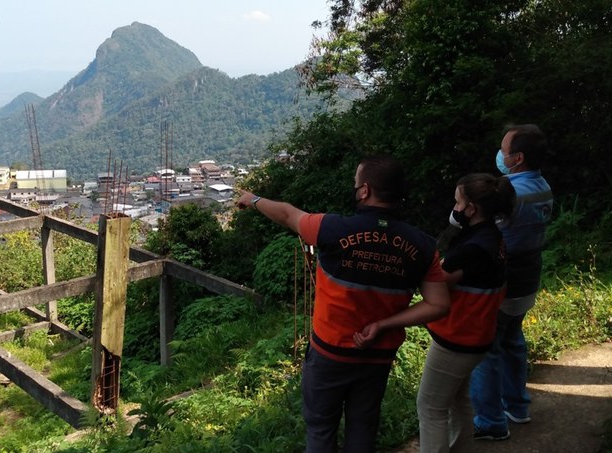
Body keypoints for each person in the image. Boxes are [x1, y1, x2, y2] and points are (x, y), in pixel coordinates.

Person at [236, 155, 450, 453]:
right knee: (363, 428)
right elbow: (439, 305)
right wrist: (383, 325)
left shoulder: (331, 228)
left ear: (365, 191)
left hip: (329, 354)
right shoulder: (423, 246)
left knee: (321, 429)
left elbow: (287, 214)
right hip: (378, 355)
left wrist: (253, 198)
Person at [356, 173, 516, 453]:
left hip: (458, 339)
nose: (454, 208)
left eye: (457, 202)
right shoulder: (492, 237)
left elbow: (434, 284)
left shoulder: (471, 249)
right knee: (457, 400)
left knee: (430, 407)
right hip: (479, 335)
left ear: (471, 208)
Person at [469, 124, 554, 440]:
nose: (500, 155)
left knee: (485, 349)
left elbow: (475, 224)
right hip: (529, 276)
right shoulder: (542, 186)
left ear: (517, 158)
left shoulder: (509, 194)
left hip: (502, 279)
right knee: (512, 340)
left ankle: (490, 421)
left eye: (504, 151)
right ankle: (517, 405)